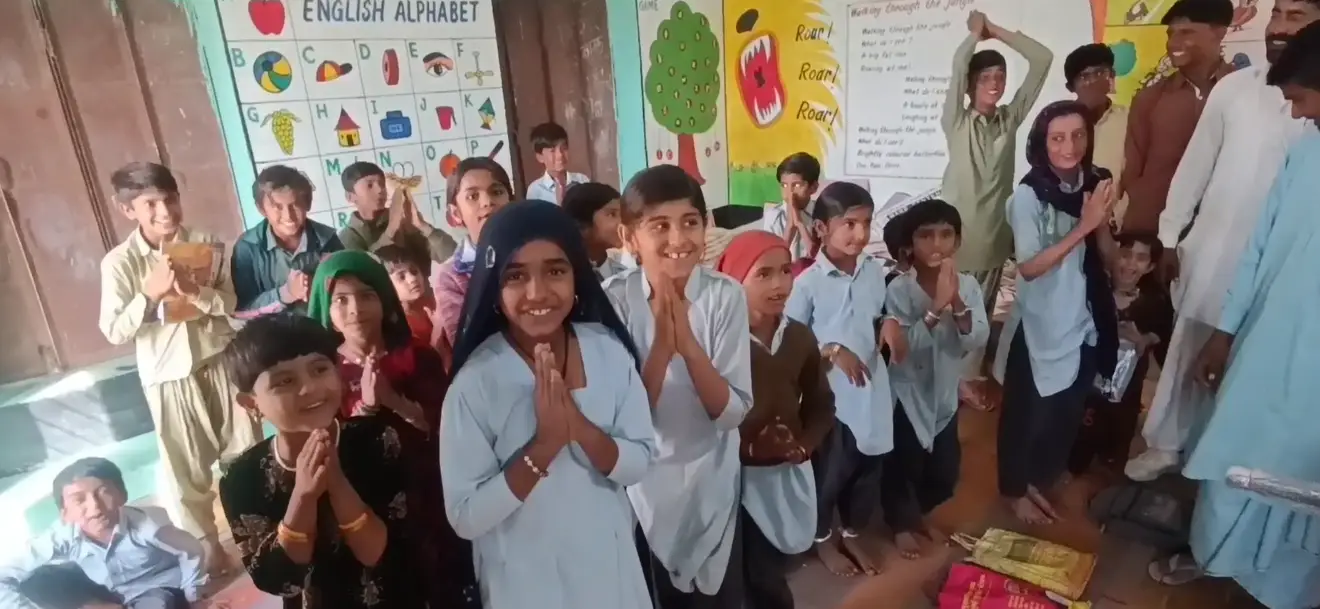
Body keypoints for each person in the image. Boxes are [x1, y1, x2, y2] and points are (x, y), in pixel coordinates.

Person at [1145, 24, 1320, 607]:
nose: (1297, 113)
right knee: (1232, 461)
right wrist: (1224, 334)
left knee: (1302, 491)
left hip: (1312, 378)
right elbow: (1259, 249)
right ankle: (1217, 559)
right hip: (1266, 347)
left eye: (1301, 98)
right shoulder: (1306, 151)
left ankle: (1280, 588)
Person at [1125, 0, 1317, 482]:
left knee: (1249, 365)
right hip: (1214, 252)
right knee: (1187, 350)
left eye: (1295, 16)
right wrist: (1170, 236)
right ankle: (1165, 445)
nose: (1278, 27)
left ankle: (1218, 460)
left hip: (1280, 270)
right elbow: (1196, 165)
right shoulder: (1235, 88)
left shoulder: (1311, 105)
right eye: (1276, 13)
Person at [439, 200, 655, 609]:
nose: (537, 292)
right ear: (494, 286)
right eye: (515, 276)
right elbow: (466, 516)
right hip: (525, 587)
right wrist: (543, 448)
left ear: (577, 276)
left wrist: (580, 429)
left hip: (611, 575)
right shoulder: (476, 384)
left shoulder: (607, 351)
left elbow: (639, 462)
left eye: (555, 271)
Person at [97, 162, 261, 573]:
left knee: (247, 452)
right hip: (169, 377)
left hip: (222, 362)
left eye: (170, 199)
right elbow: (114, 330)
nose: (165, 211)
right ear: (128, 210)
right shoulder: (120, 263)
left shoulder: (205, 244)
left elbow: (231, 306)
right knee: (185, 470)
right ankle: (208, 545)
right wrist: (149, 295)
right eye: (150, 204)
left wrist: (197, 292)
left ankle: (257, 528)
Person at [603, 164, 752, 607]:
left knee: (719, 595)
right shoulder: (615, 300)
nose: (678, 239)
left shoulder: (724, 296)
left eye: (690, 222)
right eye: (659, 226)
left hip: (713, 476)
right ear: (629, 237)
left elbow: (730, 413)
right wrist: (662, 349)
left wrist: (688, 346)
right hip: (645, 485)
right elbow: (622, 423)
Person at [218, 313, 425, 609]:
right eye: (285, 381)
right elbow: (278, 580)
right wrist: (303, 495)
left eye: (319, 369)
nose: (310, 388)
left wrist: (336, 481)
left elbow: (381, 555)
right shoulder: (242, 478)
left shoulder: (378, 439)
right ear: (251, 403)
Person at [307, 250, 478, 608]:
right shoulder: (320, 373)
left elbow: (447, 428)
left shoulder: (417, 357)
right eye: (341, 299)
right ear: (326, 310)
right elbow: (324, 445)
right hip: (363, 509)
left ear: (384, 302)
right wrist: (366, 408)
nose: (355, 309)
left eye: (366, 295)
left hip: (428, 500)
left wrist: (392, 399)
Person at [991, 101, 1119, 525]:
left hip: (1085, 317)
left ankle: (1039, 476)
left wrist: (1101, 223)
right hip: (1040, 321)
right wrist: (1083, 226)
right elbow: (1029, 267)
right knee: (1025, 412)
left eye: (1078, 135)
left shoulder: (1094, 184)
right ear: (1042, 143)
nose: (1070, 147)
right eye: (1058, 138)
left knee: (1067, 408)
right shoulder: (1028, 196)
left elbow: (1108, 257)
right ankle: (1013, 490)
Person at [715, 231, 836, 609]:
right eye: (763, 274)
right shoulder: (717, 342)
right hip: (730, 477)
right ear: (734, 280)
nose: (780, 284)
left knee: (770, 566)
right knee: (743, 571)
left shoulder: (798, 337)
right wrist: (750, 449)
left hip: (783, 470)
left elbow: (821, 403)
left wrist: (805, 445)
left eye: (785, 271)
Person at [786, 181, 902, 576]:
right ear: (821, 228)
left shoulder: (873, 272)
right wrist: (833, 349)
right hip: (832, 397)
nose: (860, 234)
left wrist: (889, 322)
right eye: (849, 224)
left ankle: (852, 531)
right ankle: (821, 538)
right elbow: (791, 340)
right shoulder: (808, 284)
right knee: (830, 473)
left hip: (872, 388)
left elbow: (879, 312)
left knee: (869, 468)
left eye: (866, 223)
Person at [940, 10, 1052, 411]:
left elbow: (1042, 59)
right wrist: (976, 35)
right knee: (947, 310)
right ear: (971, 84)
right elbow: (958, 65)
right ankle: (942, 379)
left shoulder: (1009, 119)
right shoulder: (957, 121)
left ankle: (966, 379)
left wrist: (998, 32)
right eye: (986, 77)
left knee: (981, 314)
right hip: (955, 239)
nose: (995, 84)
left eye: (1000, 77)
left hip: (993, 237)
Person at [881, 199, 989, 559]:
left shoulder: (968, 286)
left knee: (944, 475)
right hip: (907, 393)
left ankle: (917, 514)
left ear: (958, 241)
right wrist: (934, 308)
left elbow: (975, 340)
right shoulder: (899, 289)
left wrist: (955, 302)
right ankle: (901, 524)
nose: (937, 244)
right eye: (926, 235)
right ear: (910, 244)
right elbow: (904, 351)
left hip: (943, 394)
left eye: (946, 234)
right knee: (904, 464)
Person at [0, 458, 205, 609]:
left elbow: (191, 551)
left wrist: (194, 596)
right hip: (105, 595)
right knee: (37, 578)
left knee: (161, 602)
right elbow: (4, 576)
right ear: (65, 513)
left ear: (122, 495)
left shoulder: (149, 526)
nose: (95, 508)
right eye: (79, 500)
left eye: (103, 492)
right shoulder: (61, 537)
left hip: (156, 590)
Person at [1119, 0, 1234, 233]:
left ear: (1219, 33)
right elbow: (1132, 172)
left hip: (1222, 235)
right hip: (1153, 235)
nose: (1173, 43)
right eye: (1171, 34)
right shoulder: (1149, 99)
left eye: (1186, 32)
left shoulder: (1248, 94)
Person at [1068, 233, 1173, 476]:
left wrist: (1140, 339)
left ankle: (1108, 465)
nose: (1130, 264)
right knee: (1080, 426)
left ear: (1150, 267)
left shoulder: (1154, 302)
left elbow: (1159, 335)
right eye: (1125, 255)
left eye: (1141, 259)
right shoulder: (1093, 290)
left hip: (1125, 388)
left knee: (1116, 429)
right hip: (1085, 378)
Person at [232, 165, 344, 318]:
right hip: (272, 331)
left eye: (295, 205)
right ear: (262, 209)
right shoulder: (248, 248)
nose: (288, 216)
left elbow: (349, 288)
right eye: (277, 207)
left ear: (307, 204)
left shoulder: (327, 239)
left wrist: (324, 286)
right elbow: (241, 310)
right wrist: (286, 293)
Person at [431, 158, 515, 358]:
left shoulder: (534, 251)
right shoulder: (450, 277)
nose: (487, 202)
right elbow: (467, 344)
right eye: (473, 196)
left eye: (497, 192)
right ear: (455, 213)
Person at [338, 161, 458, 264]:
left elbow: (452, 255)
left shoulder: (402, 222)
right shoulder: (347, 237)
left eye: (382, 184)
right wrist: (390, 231)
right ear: (350, 196)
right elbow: (365, 274)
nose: (380, 190)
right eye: (370, 185)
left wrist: (421, 225)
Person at [1065, 43, 1130, 223]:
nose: (1093, 82)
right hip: (1071, 228)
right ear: (1071, 87)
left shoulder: (1130, 119)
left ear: (1111, 77)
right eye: (1084, 76)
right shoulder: (1059, 125)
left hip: (1118, 227)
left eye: (1100, 73)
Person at [375, 243, 445, 356]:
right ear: (385, 286)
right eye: (402, 277)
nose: (412, 279)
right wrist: (438, 328)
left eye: (414, 271)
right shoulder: (399, 325)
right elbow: (427, 361)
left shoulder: (431, 300)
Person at [561, 182, 628, 279]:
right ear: (583, 224)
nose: (623, 221)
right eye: (612, 214)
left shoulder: (624, 276)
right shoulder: (565, 276)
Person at [761, 153, 821, 261]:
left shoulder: (822, 213)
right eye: (784, 185)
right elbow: (772, 260)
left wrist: (800, 224)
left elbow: (819, 260)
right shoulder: (773, 216)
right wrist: (789, 227)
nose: (789, 192)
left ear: (814, 187)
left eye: (797, 185)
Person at [525, 122, 589, 203]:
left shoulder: (582, 180)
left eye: (564, 148)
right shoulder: (535, 190)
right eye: (552, 151)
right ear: (540, 157)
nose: (560, 155)